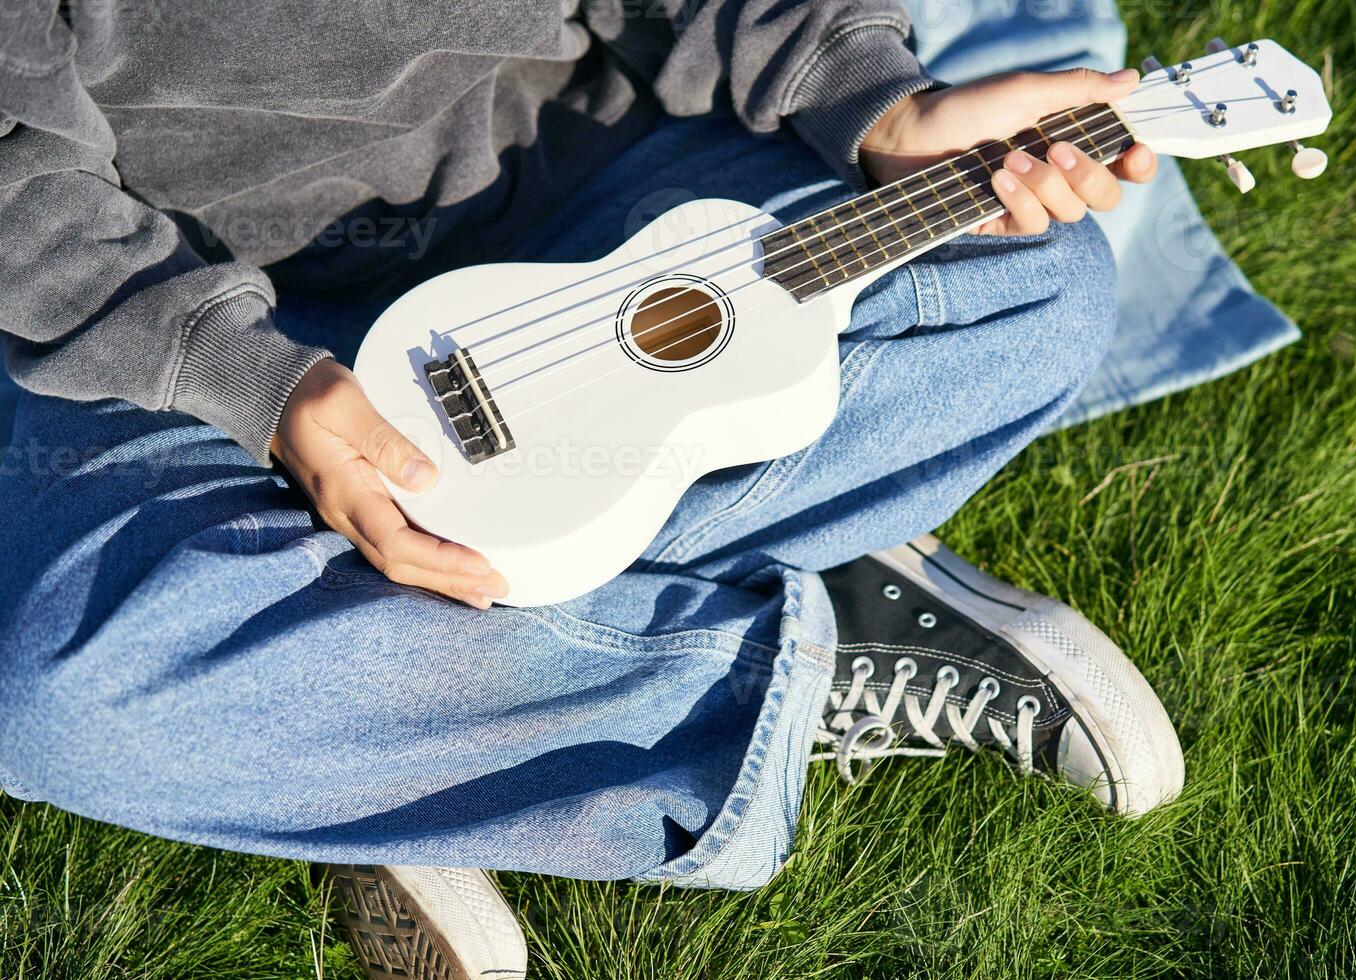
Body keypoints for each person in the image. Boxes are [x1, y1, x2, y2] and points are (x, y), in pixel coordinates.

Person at [0, 1, 1184, 975]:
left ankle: (376, 728)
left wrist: (874, 97)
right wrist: (248, 379)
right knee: (43, 695)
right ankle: (775, 663)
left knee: (1036, 288)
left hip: (586, 232)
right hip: (180, 312)